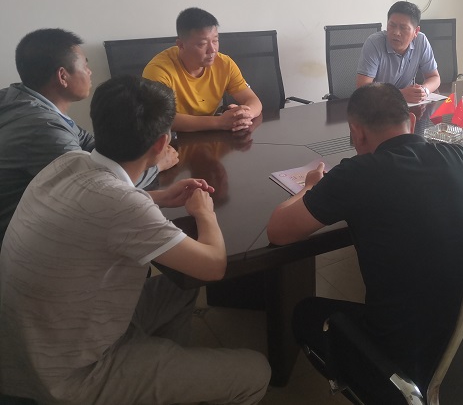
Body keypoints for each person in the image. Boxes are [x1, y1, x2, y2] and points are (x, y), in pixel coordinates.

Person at [0, 76, 270, 404]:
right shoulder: (122, 204)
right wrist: (204, 212)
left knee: (180, 287)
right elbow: (213, 266)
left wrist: (158, 196)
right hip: (69, 373)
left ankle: (164, 381)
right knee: (257, 372)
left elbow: (99, 204)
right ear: (161, 143)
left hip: (30, 343)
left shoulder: (70, 161)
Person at [267, 83, 463, 397]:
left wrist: (310, 187)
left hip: (403, 357)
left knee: (305, 313)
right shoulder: (461, 157)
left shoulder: (357, 174)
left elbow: (278, 231)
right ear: (412, 121)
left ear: (356, 133)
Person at [0, 28, 177, 243]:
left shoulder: (22, 99)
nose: (90, 72)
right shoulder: (43, 128)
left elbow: (93, 145)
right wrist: (155, 164)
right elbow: (96, 192)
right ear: (63, 76)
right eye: (85, 65)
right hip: (22, 239)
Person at [143, 7, 263, 132]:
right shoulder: (158, 70)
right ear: (181, 45)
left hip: (211, 135)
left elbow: (253, 100)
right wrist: (219, 122)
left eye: (215, 40)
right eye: (202, 44)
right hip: (172, 139)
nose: (212, 50)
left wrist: (244, 115)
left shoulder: (224, 64)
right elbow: (161, 119)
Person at [356, 1, 441, 104]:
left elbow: (434, 77)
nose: (396, 33)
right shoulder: (374, 43)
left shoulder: (421, 41)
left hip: (407, 107)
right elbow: (363, 89)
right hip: (377, 106)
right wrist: (399, 95)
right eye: (392, 25)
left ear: (416, 31)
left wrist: (424, 90)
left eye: (403, 28)